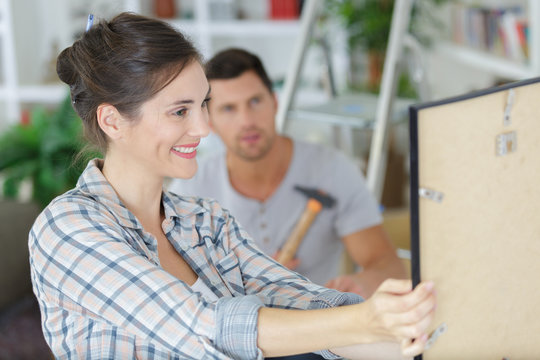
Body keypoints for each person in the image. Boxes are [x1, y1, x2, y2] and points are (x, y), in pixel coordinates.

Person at [28, 13, 436, 360]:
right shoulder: (66, 230)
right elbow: (202, 327)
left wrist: (402, 326)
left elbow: (305, 300)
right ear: (112, 121)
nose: (204, 128)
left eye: (203, 104)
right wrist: (364, 322)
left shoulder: (207, 221)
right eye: (179, 111)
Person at [168, 48, 407, 298]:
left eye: (255, 102)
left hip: (322, 323)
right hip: (232, 330)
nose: (247, 120)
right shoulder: (189, 189)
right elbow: (172, 288)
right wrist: (247, 282)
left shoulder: (332, 169)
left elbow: (390, 268)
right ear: (209, 121)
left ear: (274, 102)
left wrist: (361, 284)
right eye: (229, 109)